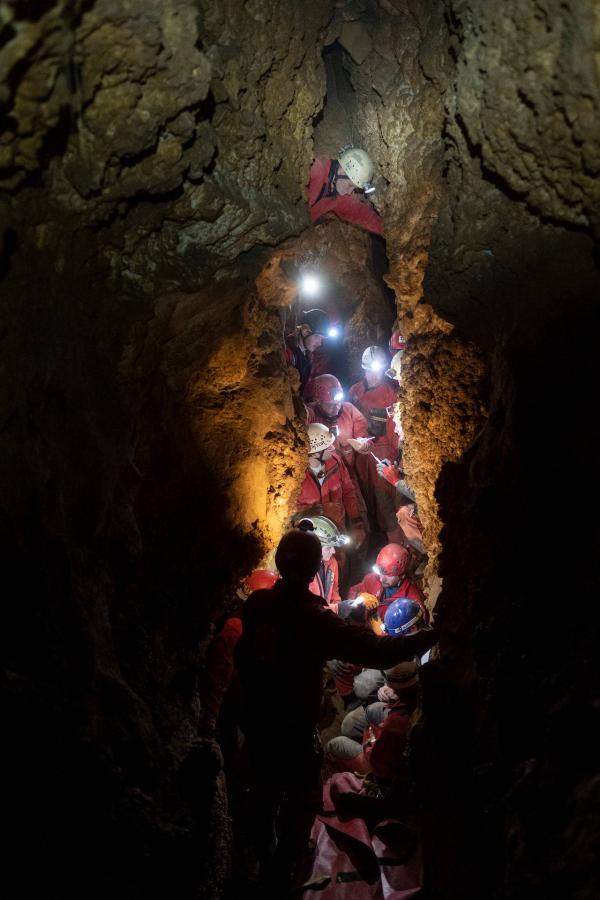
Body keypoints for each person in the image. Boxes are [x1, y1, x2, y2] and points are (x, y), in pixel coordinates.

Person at [235, 529, 437, 895]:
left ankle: (255, 866)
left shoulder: (256, 606)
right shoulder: (312, 619)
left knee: (260, 797)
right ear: (315, 568)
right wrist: (428, 638)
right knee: (300, 802)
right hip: (293, 726)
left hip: (256, 720)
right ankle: (282, 877)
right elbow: (374, 651)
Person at [325, 660, 420, 776]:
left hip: (381, 768)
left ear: (396, 688)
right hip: (394, 723)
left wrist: (369, 738)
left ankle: (338, 780)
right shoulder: (419, 695)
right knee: (349, 725)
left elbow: (377, 761)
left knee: (334, 745)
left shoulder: (395, 724)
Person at [350, 346, 402, 542]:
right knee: (367, 499)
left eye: (378, 370)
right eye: (370, 369)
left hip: (383, 454)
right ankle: (377, 539)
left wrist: (396, 456)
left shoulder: (390, 392)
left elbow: (394, 430)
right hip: (362, 457)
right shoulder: (355, 390)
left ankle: (397, 546)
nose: (374, 374)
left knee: (386, 507)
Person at [296, 422, 367, 547]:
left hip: (338, 530)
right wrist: (311, 513)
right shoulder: (297, 476)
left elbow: (349, 491)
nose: (333, 448)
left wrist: (357, 523)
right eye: (328, 447)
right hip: (311, 539)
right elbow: (288, 515)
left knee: (340, 563)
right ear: (315, 453)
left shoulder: (335, 462)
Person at [308, 146, 383, 236]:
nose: (349, 192)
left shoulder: (340, 197)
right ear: (341, 172)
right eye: (350, 185)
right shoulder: (314, 169)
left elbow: (362, 214)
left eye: (354, 188)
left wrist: (388, 231)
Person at [306, 374, 372, 472]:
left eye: (339, 402)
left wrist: (364, 444)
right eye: (331, 404)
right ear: (318, 401)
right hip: (327, 473)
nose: (337, 406)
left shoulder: (349, 410)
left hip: (350, 471)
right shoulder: (312, 415)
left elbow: (363, 432)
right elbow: (301, 420)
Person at [295, 514, 349, 613]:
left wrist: (338, 615)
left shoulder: (332, 563)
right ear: (314, 548)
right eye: (328, 547)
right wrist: (338, 609)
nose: (333, 551)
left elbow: (334, 594)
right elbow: (306, 611)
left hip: (325, 620)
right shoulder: (300, 572)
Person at [284, 308, 332, 394]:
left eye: (322, 339)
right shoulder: (287, 353)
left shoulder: (309, 356)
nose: (320, 343)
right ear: (305, 331)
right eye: (318, 337)